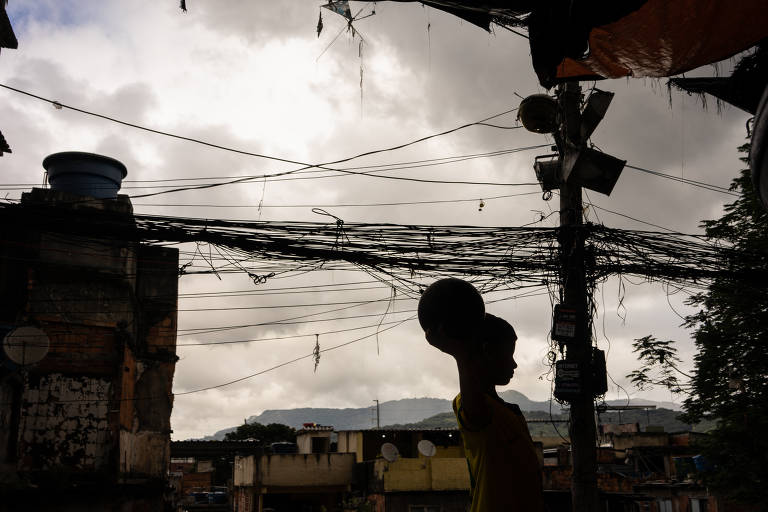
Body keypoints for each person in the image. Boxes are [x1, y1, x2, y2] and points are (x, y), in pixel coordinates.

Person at [426, 313, 545, 512]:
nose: (514, 364)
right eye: (509, 355)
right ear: (487, 351)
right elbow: (475, 405)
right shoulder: (475, 408)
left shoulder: (510, 413)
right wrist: (460, 354)